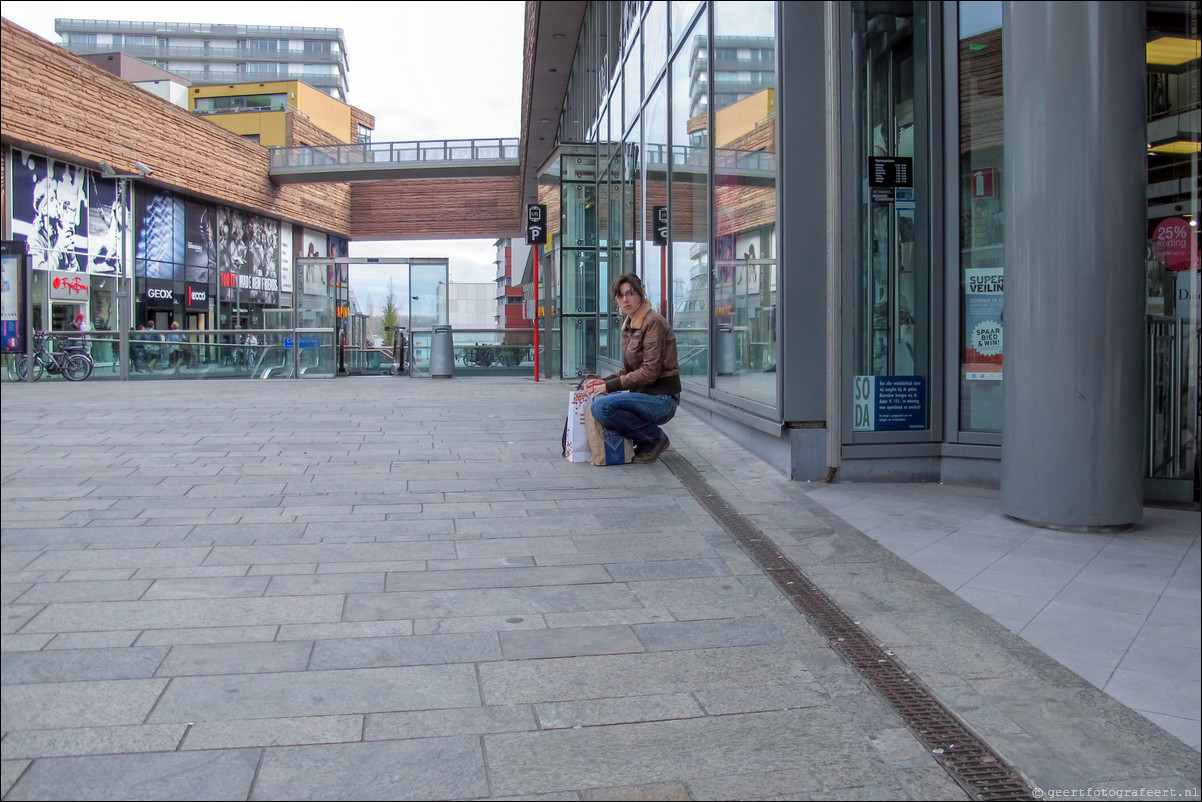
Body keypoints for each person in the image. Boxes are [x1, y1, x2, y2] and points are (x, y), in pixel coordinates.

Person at [584, 272, 681, 463]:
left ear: (640, 295)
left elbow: (649, 372)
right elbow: (629, 371)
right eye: (620, 295)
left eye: (630, 293)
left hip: (662, 399)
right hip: (645, 395)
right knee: (602, 399)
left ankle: (654, 439)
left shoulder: (653, 322)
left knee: (602, 407)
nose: (625, 299)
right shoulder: (631, 325)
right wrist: (603, 382)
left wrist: (609, 387)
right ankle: (645, 440)